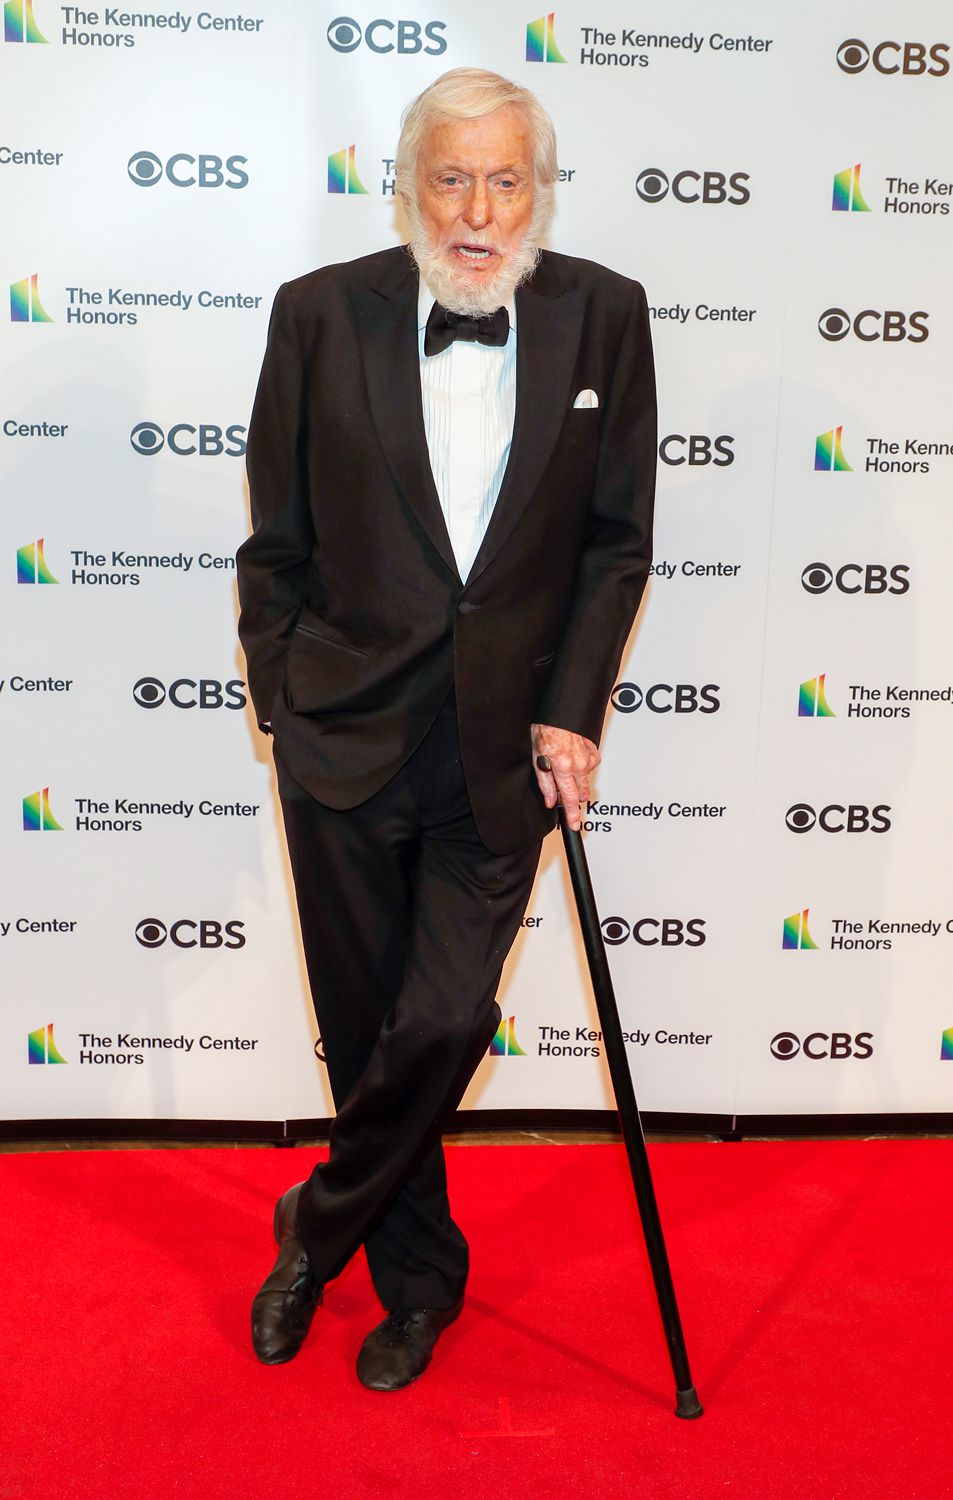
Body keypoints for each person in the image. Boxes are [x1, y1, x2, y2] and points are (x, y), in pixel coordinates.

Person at [236, 66, 656, 1391]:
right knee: (367, 1029)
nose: (478, 208)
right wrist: (283, 698)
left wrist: (571, 709)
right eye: (450, 177)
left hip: (499, 747)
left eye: (505, 179)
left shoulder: (603, 316)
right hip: (343, 733)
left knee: (437, 1024)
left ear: (539, 187)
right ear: (406, 185)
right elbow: (276, 539)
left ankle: (318, 1220)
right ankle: (415, 1286)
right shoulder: (320, 316)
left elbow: (612, 542)